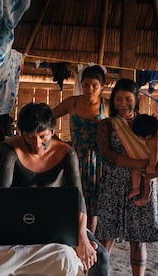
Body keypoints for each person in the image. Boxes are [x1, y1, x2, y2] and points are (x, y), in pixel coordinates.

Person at [0, 102, 109, 274]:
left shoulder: (66, 153)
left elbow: (77, 197)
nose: (37, 144)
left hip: (57, 220)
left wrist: (82, 237)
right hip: (20, 220)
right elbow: (0, 196)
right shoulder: (10, 149)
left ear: (53, 132)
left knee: (101, 256)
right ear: (21, 133)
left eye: (43, 137)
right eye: (30, 137)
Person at [95, 78, 158, 275]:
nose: (122, 104)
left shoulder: (147, 124)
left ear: (136, 99)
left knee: (138, 238)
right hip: (113, 185)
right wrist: (139, 164)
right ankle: (100, 272)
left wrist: (150, 173)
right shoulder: (108, 125)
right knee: (106, 235)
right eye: (118, 99)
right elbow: (107, 154)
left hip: (143, 183)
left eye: (127, 99)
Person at [52, 65, 107, 233]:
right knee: (74, 202)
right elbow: (47, 118)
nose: (89, 89)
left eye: (94, 86)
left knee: (93, 209)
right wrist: (58, 143)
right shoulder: (72, 102)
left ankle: (89, 243)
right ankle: (72, 242)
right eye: (85, 85)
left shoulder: (108, 106)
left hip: (99, 163)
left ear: (102, 87)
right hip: (74, 159)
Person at [121, 113, 158, 206]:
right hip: (150, 157)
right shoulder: (149, 137)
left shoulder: (152, 141)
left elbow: (154, 154)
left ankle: (146, 196)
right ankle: (136, 189)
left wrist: (151, 166)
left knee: (147, 179)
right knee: (135, 170)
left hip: (157, 158)